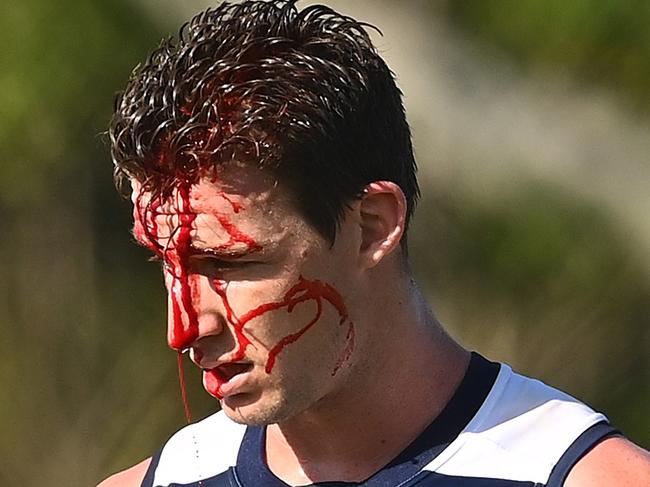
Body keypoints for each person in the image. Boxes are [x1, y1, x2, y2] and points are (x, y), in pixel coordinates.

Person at [98, 1, 650, 486]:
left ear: (373, 226)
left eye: (230, 262)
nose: (184, 328)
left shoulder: (583, 477)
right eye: (163, 260)